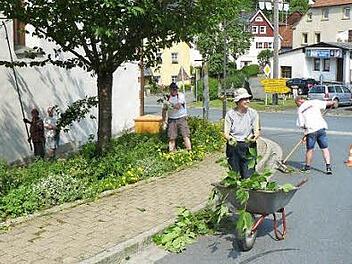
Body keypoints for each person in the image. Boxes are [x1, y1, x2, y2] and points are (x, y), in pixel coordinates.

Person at [224, 88, 260, 179]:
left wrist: (254, 137)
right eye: (245, 99)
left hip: (248, 146)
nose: (248, 101)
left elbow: (256, 130)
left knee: (249, 174)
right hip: (234, 146)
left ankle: (249, 192)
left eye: (248, 99)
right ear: (238, 101)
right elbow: (226, 133)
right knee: (235, 175)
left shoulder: (253, 113)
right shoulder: (230, 114)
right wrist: (230, 139)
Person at [295, 96, 335, 174]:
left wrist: (305, 133)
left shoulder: (300, 110)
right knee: (324, 148)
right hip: (321, 129)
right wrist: (334, 103)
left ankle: (307, 168)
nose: (298, 105)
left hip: (311, 131)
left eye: (297, 104)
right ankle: (328, 167)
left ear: (299, 102)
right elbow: (329, 103)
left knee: (310, 149)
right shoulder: (314, 102)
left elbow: (302, 124)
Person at [162, 82, 192, 152]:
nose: (175, 91)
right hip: (172, 119)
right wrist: (164, 121)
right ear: (170, 90)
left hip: (181, 118)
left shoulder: (180, 96)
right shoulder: (167, 98)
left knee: (185, 135)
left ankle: (190, 151)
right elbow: (164, 110)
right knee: (171, 137)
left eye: (176, 89)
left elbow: (178, 106)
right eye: (173, 89)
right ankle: (171, 153)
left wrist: (168, 104)